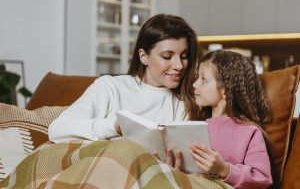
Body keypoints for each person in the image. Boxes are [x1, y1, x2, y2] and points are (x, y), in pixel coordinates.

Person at [48, 14, 199, 143]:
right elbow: (58, 129)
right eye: (167, 56)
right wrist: (115, 127)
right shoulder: (111, 87)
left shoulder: (183, 103)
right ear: (143, 56)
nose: (179, 65)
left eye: (184, 57)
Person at [189, 50, 273, 188]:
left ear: (225, 91)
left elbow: (263, 178)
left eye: (203, 79)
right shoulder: (194, 126)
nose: (195, 84)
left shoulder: (248, 132)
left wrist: (224, 169)